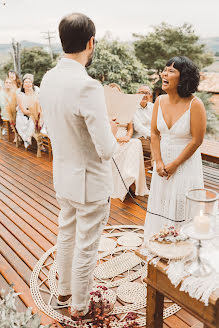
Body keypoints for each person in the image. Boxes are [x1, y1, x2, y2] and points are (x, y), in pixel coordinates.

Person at [39, 13, 118, 320]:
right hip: (90, 182)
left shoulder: (49, 78)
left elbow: (53, 127)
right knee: (86, 244)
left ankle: (63, 292)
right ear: (90, 42)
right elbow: (104, 148)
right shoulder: (88, 87)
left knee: (67, 234)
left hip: (64, 176)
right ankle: (80, 306)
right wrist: (116, 132)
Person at [144, 56, 206, 241]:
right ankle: (159, 241)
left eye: (171, 71)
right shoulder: (160, 101)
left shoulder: (195, 105)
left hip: (185, 166)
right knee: (161, 201)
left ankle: (181, 245)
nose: (164, 73)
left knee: (182, 203)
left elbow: (197, 140)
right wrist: (159, 161)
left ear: (183, 77)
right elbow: (154, 133)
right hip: (162, 166)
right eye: (165, 69)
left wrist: (175, 164)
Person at [109, 84, 149, 201]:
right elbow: (104, 129)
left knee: (136, 143)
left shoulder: (125, 108)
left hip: (125, 138)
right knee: (123, 147)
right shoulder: (105, 109)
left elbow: (130, 127)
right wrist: (116, 139)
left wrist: (127, 136)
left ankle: (130, 178)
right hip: (112, 139)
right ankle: (127, 183)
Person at [16, 75, 38, 148]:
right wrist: (34, 113)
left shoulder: (35, 94)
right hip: (23, 115)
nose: (28, 84)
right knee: (32, 119)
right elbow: (24, 111)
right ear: (23, 85)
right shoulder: (20, 95)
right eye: (26, 82)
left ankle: (28, 137)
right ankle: (28, 137)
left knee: (35, 118)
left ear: (32, 84)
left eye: (30, 82)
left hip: (34, 114)